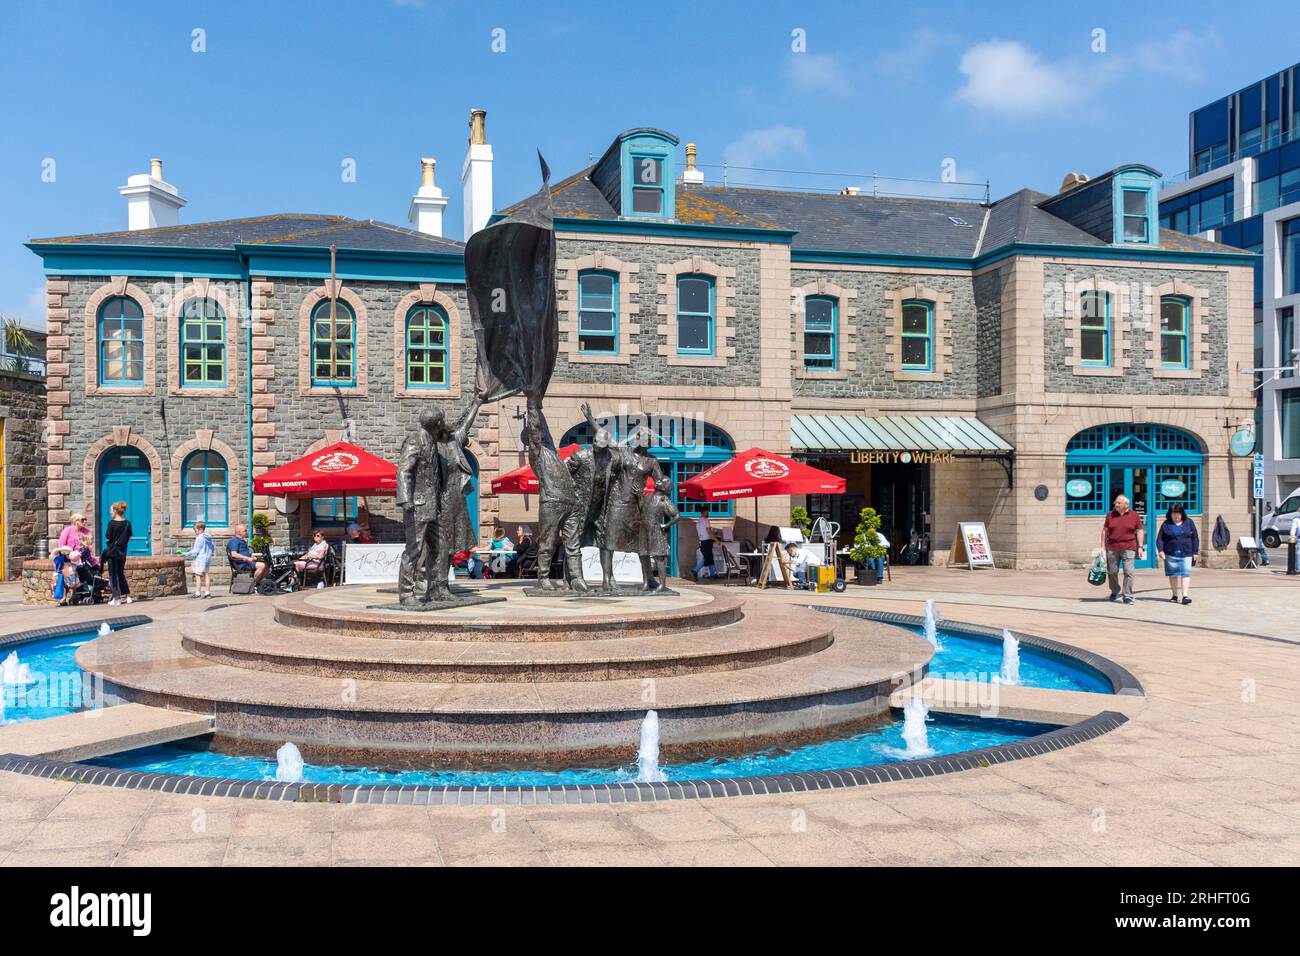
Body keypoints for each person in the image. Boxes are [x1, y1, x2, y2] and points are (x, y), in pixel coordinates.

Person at [1101, 494, 1145, 605]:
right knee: (1112, 572)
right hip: (1112, 547)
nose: (1116, 504)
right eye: (1116, 502)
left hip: (1129, 547)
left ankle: (1127, 596)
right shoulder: (1110, 515)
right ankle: (1115, 590)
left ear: (1126, 505)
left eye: (1119, 503)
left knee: (1128, 572)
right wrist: (1102, 546)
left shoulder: (1134, 515)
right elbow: (1105, 530)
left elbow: (1139, 531)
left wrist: (1140, 547)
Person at [1156, 505, 1199, 605]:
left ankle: (1185, 596)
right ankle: (1174, 595)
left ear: (1182, 514)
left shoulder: (1189, 522)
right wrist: (1161, 551)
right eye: (1173, 513)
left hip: (1186, 552)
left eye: (1178, 513)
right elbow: (1160, 539)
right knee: (1173, 574)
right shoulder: (1166, 524)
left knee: (1185, 573)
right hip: (1170, 552)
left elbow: (1195, 538)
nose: (1176, 515)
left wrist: (1195, 552)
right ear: (1170, 514)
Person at [102, 500, 133, 605]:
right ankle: (128, 596)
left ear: (115, 511)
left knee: (113, 575)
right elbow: (129, 537)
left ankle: (117, 598)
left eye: (111, 511)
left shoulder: (111, 523)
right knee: (121, 573)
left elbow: (107, 537)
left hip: (112, 552)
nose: (110, 513)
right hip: (122, 552)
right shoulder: (128, 523)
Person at [180, 520, 215, 599]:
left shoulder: (200, 538)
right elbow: (213, 548)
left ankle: (198, 593)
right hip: (207, 559)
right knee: (206, 575)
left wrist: (185, 554)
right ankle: (207, 593)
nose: (195, 532)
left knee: (198, 576)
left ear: (200, 529)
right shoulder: (209, 537)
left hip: (200, 559)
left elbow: (196, 550)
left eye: (195, 530)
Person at [226, 523, 267, 588]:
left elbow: (245, 553)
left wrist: (252, 557)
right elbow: (234, 554)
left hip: (247, 562)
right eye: (245, 531)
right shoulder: (234, 541)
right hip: (241, 564)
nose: (246, 532)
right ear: (239, 532)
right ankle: (253, 585)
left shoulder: (242, 541)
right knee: (262, 566)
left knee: (266, 564)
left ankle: (260, 584)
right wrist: (248, 558)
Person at [693, 513, 716, 580]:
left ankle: (712, 574)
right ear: (705, 512)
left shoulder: (698, 522)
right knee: (707, 558)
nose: (708, 513)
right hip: (707, 541)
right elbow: (709, 533)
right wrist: (716, 540)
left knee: (709, 557)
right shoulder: (706, 521)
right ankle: (695, 570)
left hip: (702, 542)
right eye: (707, 512)